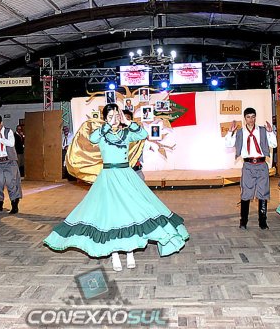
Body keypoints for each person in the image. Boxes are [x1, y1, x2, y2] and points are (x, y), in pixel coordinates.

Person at [44, 104, 189, 272]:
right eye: (110, 115)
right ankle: (114, 254)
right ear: (105, 118)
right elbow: (92, 139)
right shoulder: (102, 134)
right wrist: (108, 125)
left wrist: (128, 123)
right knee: (112, 216)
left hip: (126, 176)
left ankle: (130, 252)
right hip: (108, 178)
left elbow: (143, 134)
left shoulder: (126, 133)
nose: (114, 118)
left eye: (116, 115)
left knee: (130, 213)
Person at [225, 107, 277, 230]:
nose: (251, 119)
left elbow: (273, 144)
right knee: (246, 193)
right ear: (245, 119)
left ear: (255, 117)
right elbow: (228, 144)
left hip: (262, 164)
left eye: (253, 117)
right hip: (248, 166)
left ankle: (262, 222)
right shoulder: (240, 132)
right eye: (248, 117)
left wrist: (270, 133)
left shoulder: (263, 130)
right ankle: (243, 221)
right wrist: (230, 132)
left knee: (263, 193)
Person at [123, 109, 144, 180]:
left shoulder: (136, 134)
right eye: (123, 119)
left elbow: (143, 135)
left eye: (127, 119)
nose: (125, 121)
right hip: (121, 173)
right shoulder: (114, 135)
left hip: (136, 171)